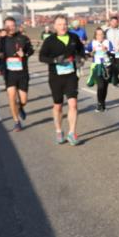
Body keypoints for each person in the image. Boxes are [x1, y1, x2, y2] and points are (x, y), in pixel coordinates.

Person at [38, 15, 86, 145]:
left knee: (73, 104)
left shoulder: (73, 37)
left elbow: (81, 51)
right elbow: (41, 57)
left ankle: (72, 133)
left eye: (64, 24)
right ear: (55, 26)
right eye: (59, 24)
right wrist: (54, 60)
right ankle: (59, 130)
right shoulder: (50, 40)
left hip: (71, 75)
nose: (63, 26)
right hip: (55, 77)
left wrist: (80, 58)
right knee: (58, 106)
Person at [0, 16, 34, 132]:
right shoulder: (1, 40)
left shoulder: (23, 38)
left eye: (13, 26)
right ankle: (17, 122)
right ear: (4, 27)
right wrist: (0, 56)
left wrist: (25, 54)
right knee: (11, 96)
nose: (11, 28)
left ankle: (21, 107)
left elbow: (31, 51)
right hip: (9, 73)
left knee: (23, 100)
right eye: (8, 26)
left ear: (15, 26)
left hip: (22, 73)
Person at [85, 27, 118, 111]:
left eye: (101, 34)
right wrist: (91, 52)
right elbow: (85, 52)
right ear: (95, 36)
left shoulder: (108, 42)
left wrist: (106, 51)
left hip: (107, 66)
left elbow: (114, 53)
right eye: (98, 34)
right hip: (97, 66)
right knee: (101, 85)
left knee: (105, 86)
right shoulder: (93, 43)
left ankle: (103, 103)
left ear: (104, 35)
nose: (100, 36)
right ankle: (99, 103)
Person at [103, 15, 119, 84]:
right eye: (113, 22)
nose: (114, 23)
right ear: (110, 22)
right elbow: (103, 40)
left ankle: (112, 77)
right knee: (111, 66)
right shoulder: (107, 31)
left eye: (116, 22)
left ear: (118, 23)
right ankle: (114, 79)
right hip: (109, 51)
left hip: (118, 51)